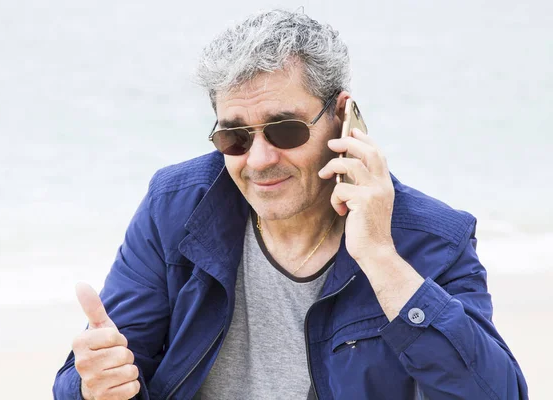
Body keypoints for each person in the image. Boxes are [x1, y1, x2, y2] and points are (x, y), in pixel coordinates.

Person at [53, 9, 528, 400]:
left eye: (285, 129)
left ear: (343, 119)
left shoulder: (432, 239)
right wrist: (93, 386)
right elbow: (90, 378)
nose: (259, 160)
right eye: (234, 136)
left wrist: (382, 260)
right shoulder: (175, 206)